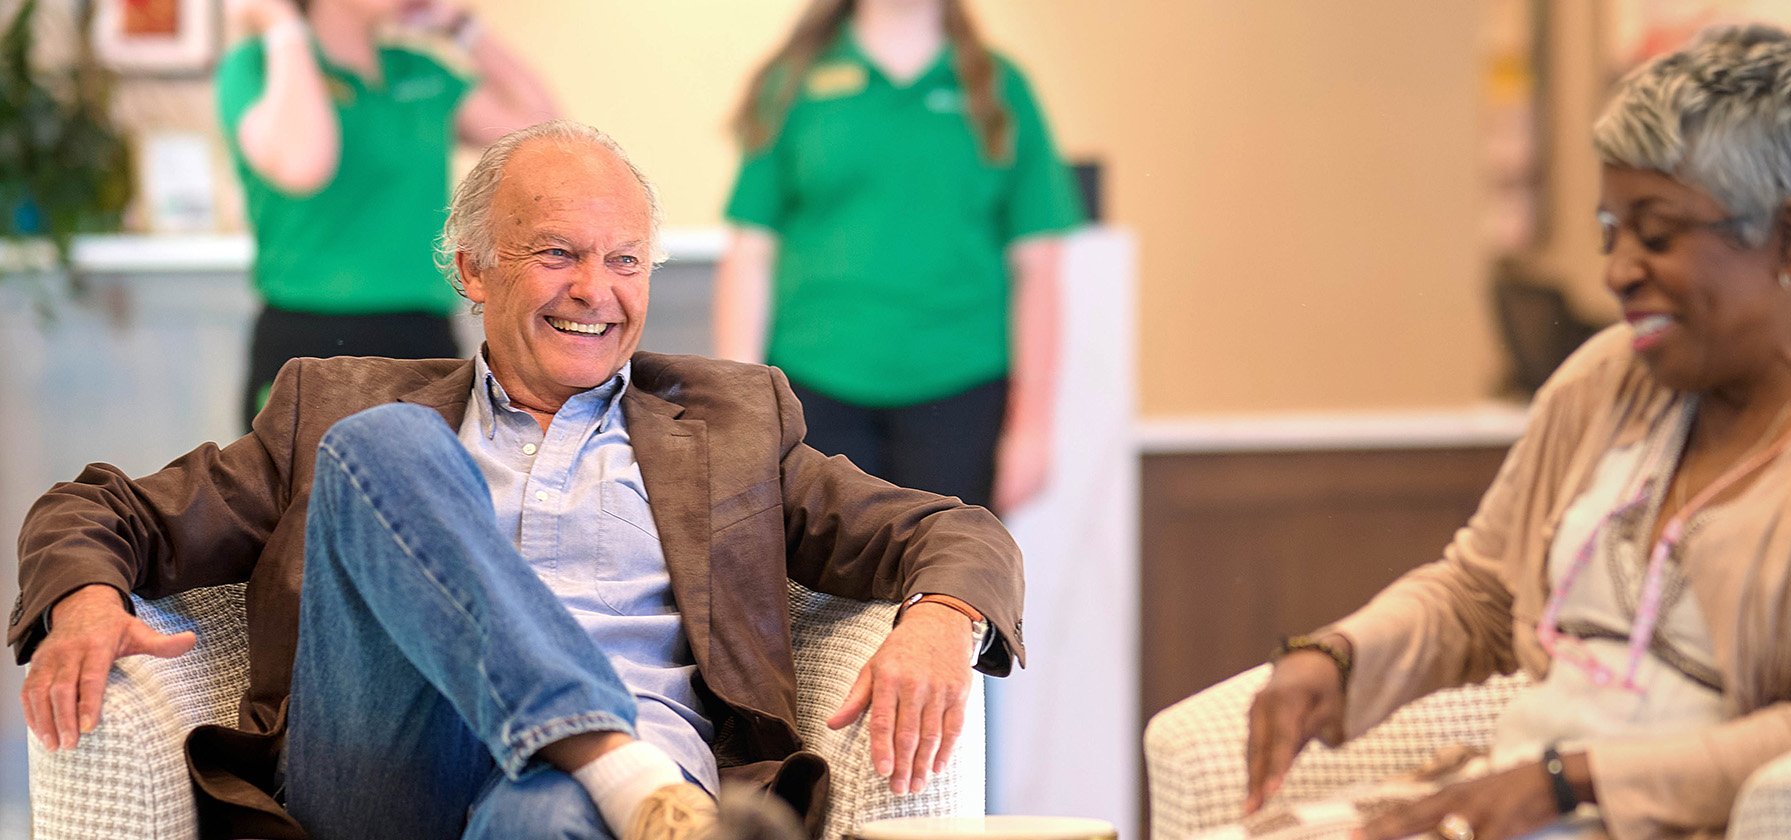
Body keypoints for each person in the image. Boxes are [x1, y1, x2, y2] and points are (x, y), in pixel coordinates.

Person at [12, 121, 1024, 840]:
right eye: (557, 254)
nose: (597, 291)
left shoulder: (731, 427)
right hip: (393, 772)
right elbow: (100, 508)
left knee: (539, 814)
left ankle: (608, 781)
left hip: (617, 802)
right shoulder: (332, 402)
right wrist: (87, 593)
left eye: (626, 260)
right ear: (471, 266)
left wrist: (939, 617)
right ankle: (615, 764)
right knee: (387, 445)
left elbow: (951, 531)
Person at [1241, 25, 1791, 840]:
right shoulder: (1609, 379)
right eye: (1611, 231)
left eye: (1657, 234)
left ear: (1790, 239)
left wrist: (1569, 782)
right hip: (1519, 806)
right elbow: (1479, 594)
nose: (1618, 271)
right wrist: (1338, 655)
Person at [713, 0, 1083, 513]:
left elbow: (1040, 268)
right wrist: (742, 413)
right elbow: (750, 254)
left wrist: (1033, 428)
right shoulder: (793, 82)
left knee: (944, 583)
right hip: (813, 386)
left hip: (961, 390)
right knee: (827, 589)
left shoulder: (999, 88)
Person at [217, 0, 557, 428]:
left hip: (422, 337)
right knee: (298, 494)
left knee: (432, 492)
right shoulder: (256, 67)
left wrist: (464, 29)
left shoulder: (418, 70)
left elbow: (543, 138)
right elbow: (303, 164)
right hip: (308, 340)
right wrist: (281, 25)